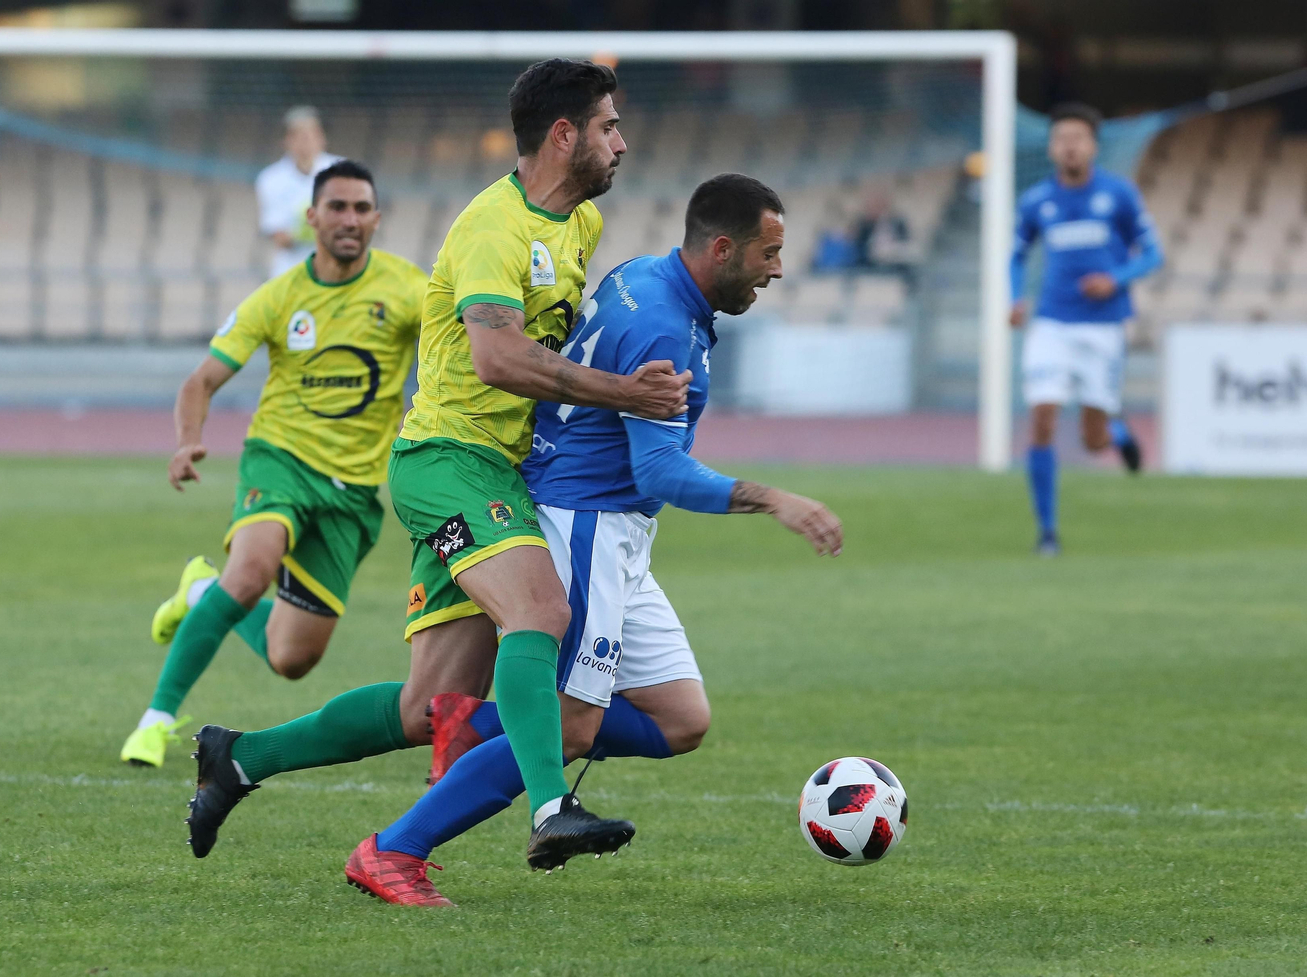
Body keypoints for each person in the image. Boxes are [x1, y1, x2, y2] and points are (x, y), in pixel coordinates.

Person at [185, 174, 843, 907]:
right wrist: (773, 498)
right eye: (768, 252)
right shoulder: (659, 322)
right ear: (721, 249)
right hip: (584, 521)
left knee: (673, 718)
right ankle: (399, 846)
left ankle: (253, 755)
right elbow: (657, 467)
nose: (777, 269)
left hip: (599, 519)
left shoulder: (641, 273)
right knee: (567, 724)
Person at [181, 58, 689, 869]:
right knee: (540, 611)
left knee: (430, 706)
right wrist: (625, 394)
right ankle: (551, 806)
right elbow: (497, 357)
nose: (621, 143)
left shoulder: (581, 225)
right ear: (564, 135)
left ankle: (239, 756)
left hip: (498, 470)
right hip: (451, 460)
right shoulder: (494, 227)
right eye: (608, 126)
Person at [119, 161, 435, 768]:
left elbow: (461, 345)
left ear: (376, 218)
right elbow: (201, 381)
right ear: (311, 217)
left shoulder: (407, 290)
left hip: (352, 492)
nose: (349, 219)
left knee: (291, 659)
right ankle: (155, 721)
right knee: (250, 574)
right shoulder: (279, 297)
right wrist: (187, 441)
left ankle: (201, 592)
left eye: (361, 208)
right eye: (337, 207)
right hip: (280, 461)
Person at [1009, 102, 1163, 556]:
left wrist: (1115, 279)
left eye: (1078, 138)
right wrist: (1014, 298)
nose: (1070, 147)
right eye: (1061, 139)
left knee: (1092, 441)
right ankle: (1047, 533)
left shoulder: (1118, 195)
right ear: (1051, 148)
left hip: (1103, 327)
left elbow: (1153, 254)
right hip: (1052, 324)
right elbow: (1016, 255)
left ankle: (1118, 434)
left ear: (1094, 146)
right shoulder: (1037, 201)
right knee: (1042, 416)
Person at [256, 106, 343, 279]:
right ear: (287, 140)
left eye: (312, 134)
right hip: (292, 273)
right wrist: (312, 228)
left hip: (336, 271)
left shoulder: (342, 171)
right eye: (300, 136)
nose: (307, 141)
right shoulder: (270, 179)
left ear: (322, 138)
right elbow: (280, 238)